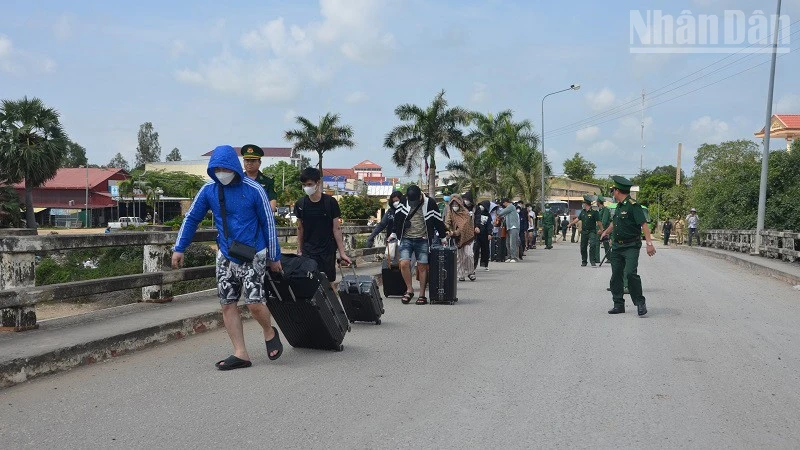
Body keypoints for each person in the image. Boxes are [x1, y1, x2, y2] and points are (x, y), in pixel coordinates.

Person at [172, 145, 283, 370]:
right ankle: (241, 353)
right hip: (226, 254)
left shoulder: (254, 189)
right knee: (227, 303)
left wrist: (274, 256)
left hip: (254, 252)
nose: (222, 171)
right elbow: (191, 218)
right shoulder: (208, 191)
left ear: (234, 166)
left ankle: (269, 330)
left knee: (253, 303)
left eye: (225, 167)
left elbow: (268, 223)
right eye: (217, 168)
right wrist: (179, 247)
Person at [600, 176, 657, 316]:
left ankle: (640, 302)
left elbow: (643, 224)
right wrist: (606, 232)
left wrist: (649, 244)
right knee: (616, 276)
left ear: (618, 191)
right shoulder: (619, 207)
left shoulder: (633, 206)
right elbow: (615, 223)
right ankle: (618, 304)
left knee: (631, 274)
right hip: (617, 247)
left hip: (631, 245)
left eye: (613, 190)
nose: (612, 193)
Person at [388, 185, 446, 305]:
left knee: (422, 267)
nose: (413, 203)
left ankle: (422, 294)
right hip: (406, 238)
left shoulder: (430, 203)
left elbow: (438, 220)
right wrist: (393, 233)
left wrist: (443, 236)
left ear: (420, 196)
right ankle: (409, 289)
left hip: (423, 239)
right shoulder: (404, 201)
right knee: (404, 263)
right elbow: (397, 219)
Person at [294, 168, 352, 286]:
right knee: (309, 284)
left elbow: (336, 228)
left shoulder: (330, 202)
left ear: (318, 183)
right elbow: (300, 228)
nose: (307, 187)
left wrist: (342, 252)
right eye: (304, 185)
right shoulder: (300, 204)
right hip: (308, 251)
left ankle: (333, 305)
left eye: (309, 184)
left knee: (329, 284)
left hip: (327, 250)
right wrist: (299, 250)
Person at [444, 194, 477, 281]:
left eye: (456, 204)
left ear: (460, 203)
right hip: (457, 238)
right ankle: (460, 274)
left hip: (467, 237)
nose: (455, 206)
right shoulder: (450, 213)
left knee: (469, 254)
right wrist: (447, 229)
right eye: (453, 205)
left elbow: (464, 227)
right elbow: (447, 222)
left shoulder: (465, 213)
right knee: (460, 257)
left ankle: (471, 272)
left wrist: (454, 232)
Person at [241, 144, 279, 212]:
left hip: (261, 217)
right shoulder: (238, 180)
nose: (249, 163)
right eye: (247, 160)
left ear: (260, 162)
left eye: (253, 161)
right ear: (243, 162)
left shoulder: (267, 181)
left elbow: (272, 203)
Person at [568, 195, 603, 267]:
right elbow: (578, 219)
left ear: (586, 204)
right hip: (584, 232)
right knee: (583, 247)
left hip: (592, 231)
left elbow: (599, 222)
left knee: (593, 245)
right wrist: (571, 224)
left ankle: (592, 261)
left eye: (583, 203)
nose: (583, 205)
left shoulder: (594, 212)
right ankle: (584, 261)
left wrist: (602, 229)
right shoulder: (582, 212)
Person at [497, 198, 520, 263]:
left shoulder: (511, 207)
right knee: (508, 243)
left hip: (513, 227)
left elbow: (502, 212)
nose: (503, 205)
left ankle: (514, 257)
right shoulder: (509, 209)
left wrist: (498, 214)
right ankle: (509, 256)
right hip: (508, 227)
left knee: (512, 243)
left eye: (503, 203)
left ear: (505, 202)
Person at [474, 200, 493, 271]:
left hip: (485, 235)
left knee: (485, 250)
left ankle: (485, 264)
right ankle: (473, 265)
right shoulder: (476, 213)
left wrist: (489, 233)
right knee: (475, 250)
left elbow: (489, 225)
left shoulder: (488, 215)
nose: (481, 207)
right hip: (476, 234)